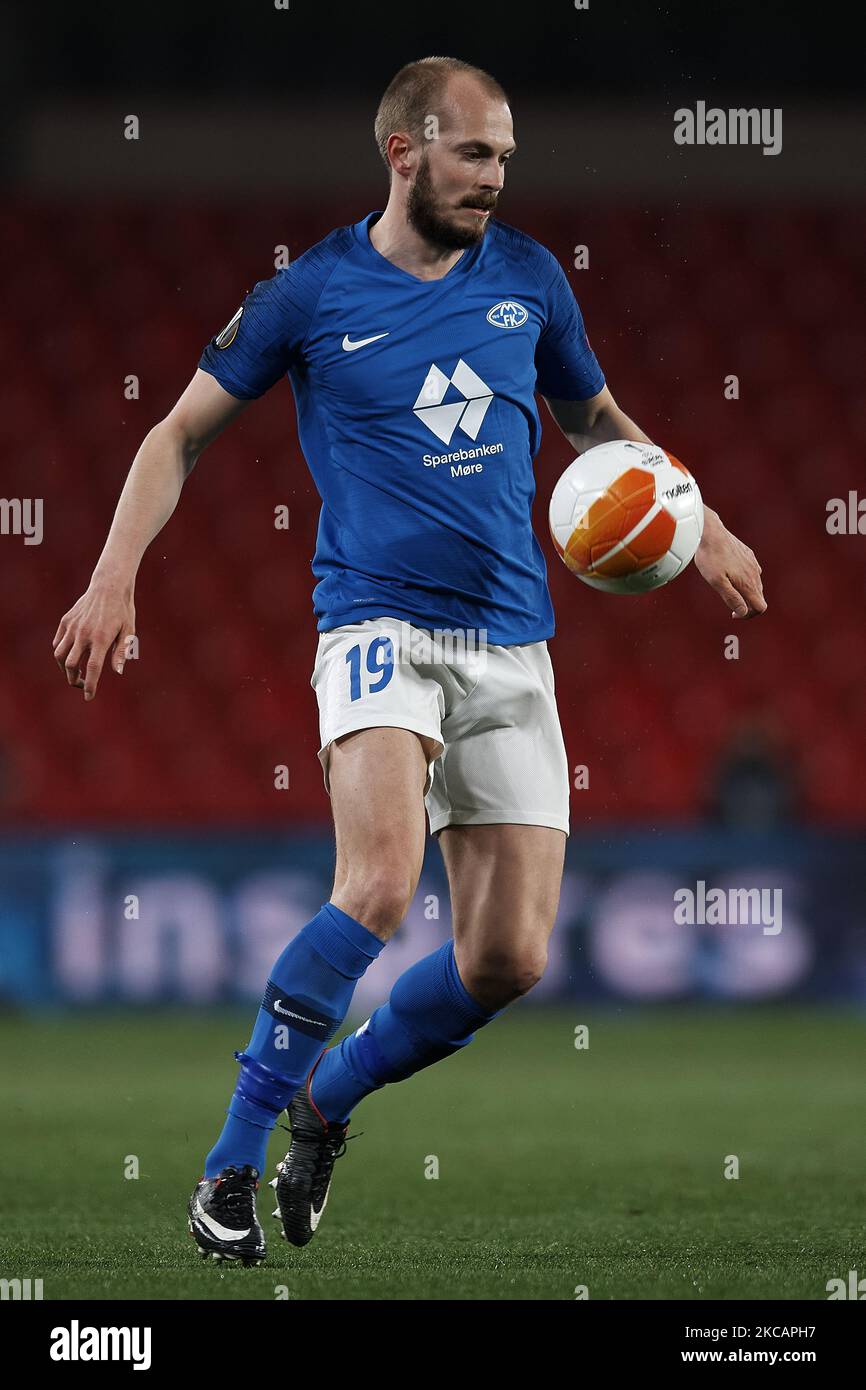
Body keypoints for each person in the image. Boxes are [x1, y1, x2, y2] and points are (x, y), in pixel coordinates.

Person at [52, 56, 766, 1266]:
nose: (495, 177)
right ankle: (227, 1163)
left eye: (504, 158)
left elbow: (593, 419)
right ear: (404, 151)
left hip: (511, 641)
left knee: (507, 957)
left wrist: (696, 517)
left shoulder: (531, 281)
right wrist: (114, 569)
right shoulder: (309, 292)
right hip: (375, 624)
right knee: (378, 884)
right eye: (474, 154)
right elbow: (175, 432)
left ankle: (325, 1104)